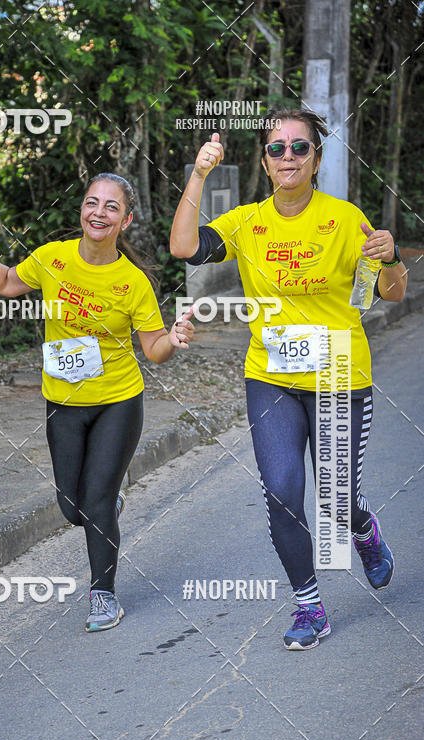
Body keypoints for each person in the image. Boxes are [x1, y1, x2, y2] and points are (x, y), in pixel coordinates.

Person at [170, 110, 407, 650]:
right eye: (277, 149)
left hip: (339, 376)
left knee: (336, 498)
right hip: (270, 377)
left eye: (300, 148)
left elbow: (391, 292)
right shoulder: (249, 223)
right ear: (264, 160)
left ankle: (362, 529)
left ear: (317, 159)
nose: (288, 157)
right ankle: (309, 606)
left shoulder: (345, 219)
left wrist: (390, 258)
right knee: (281, 492)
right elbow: (183, 247)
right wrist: (200, 175)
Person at [0, 172, 194, 633]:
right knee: (71, 508)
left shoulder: (132, 282)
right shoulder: (53, 258)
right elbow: (8, 283)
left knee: (94, 502)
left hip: (118, 400)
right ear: (82, 210)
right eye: (92, 202)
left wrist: (172, 340)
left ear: (125, 220)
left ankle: (103, 595)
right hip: (63, 402)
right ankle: (105, 506)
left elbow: (153, 348)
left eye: (111, 207)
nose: (99, 212)